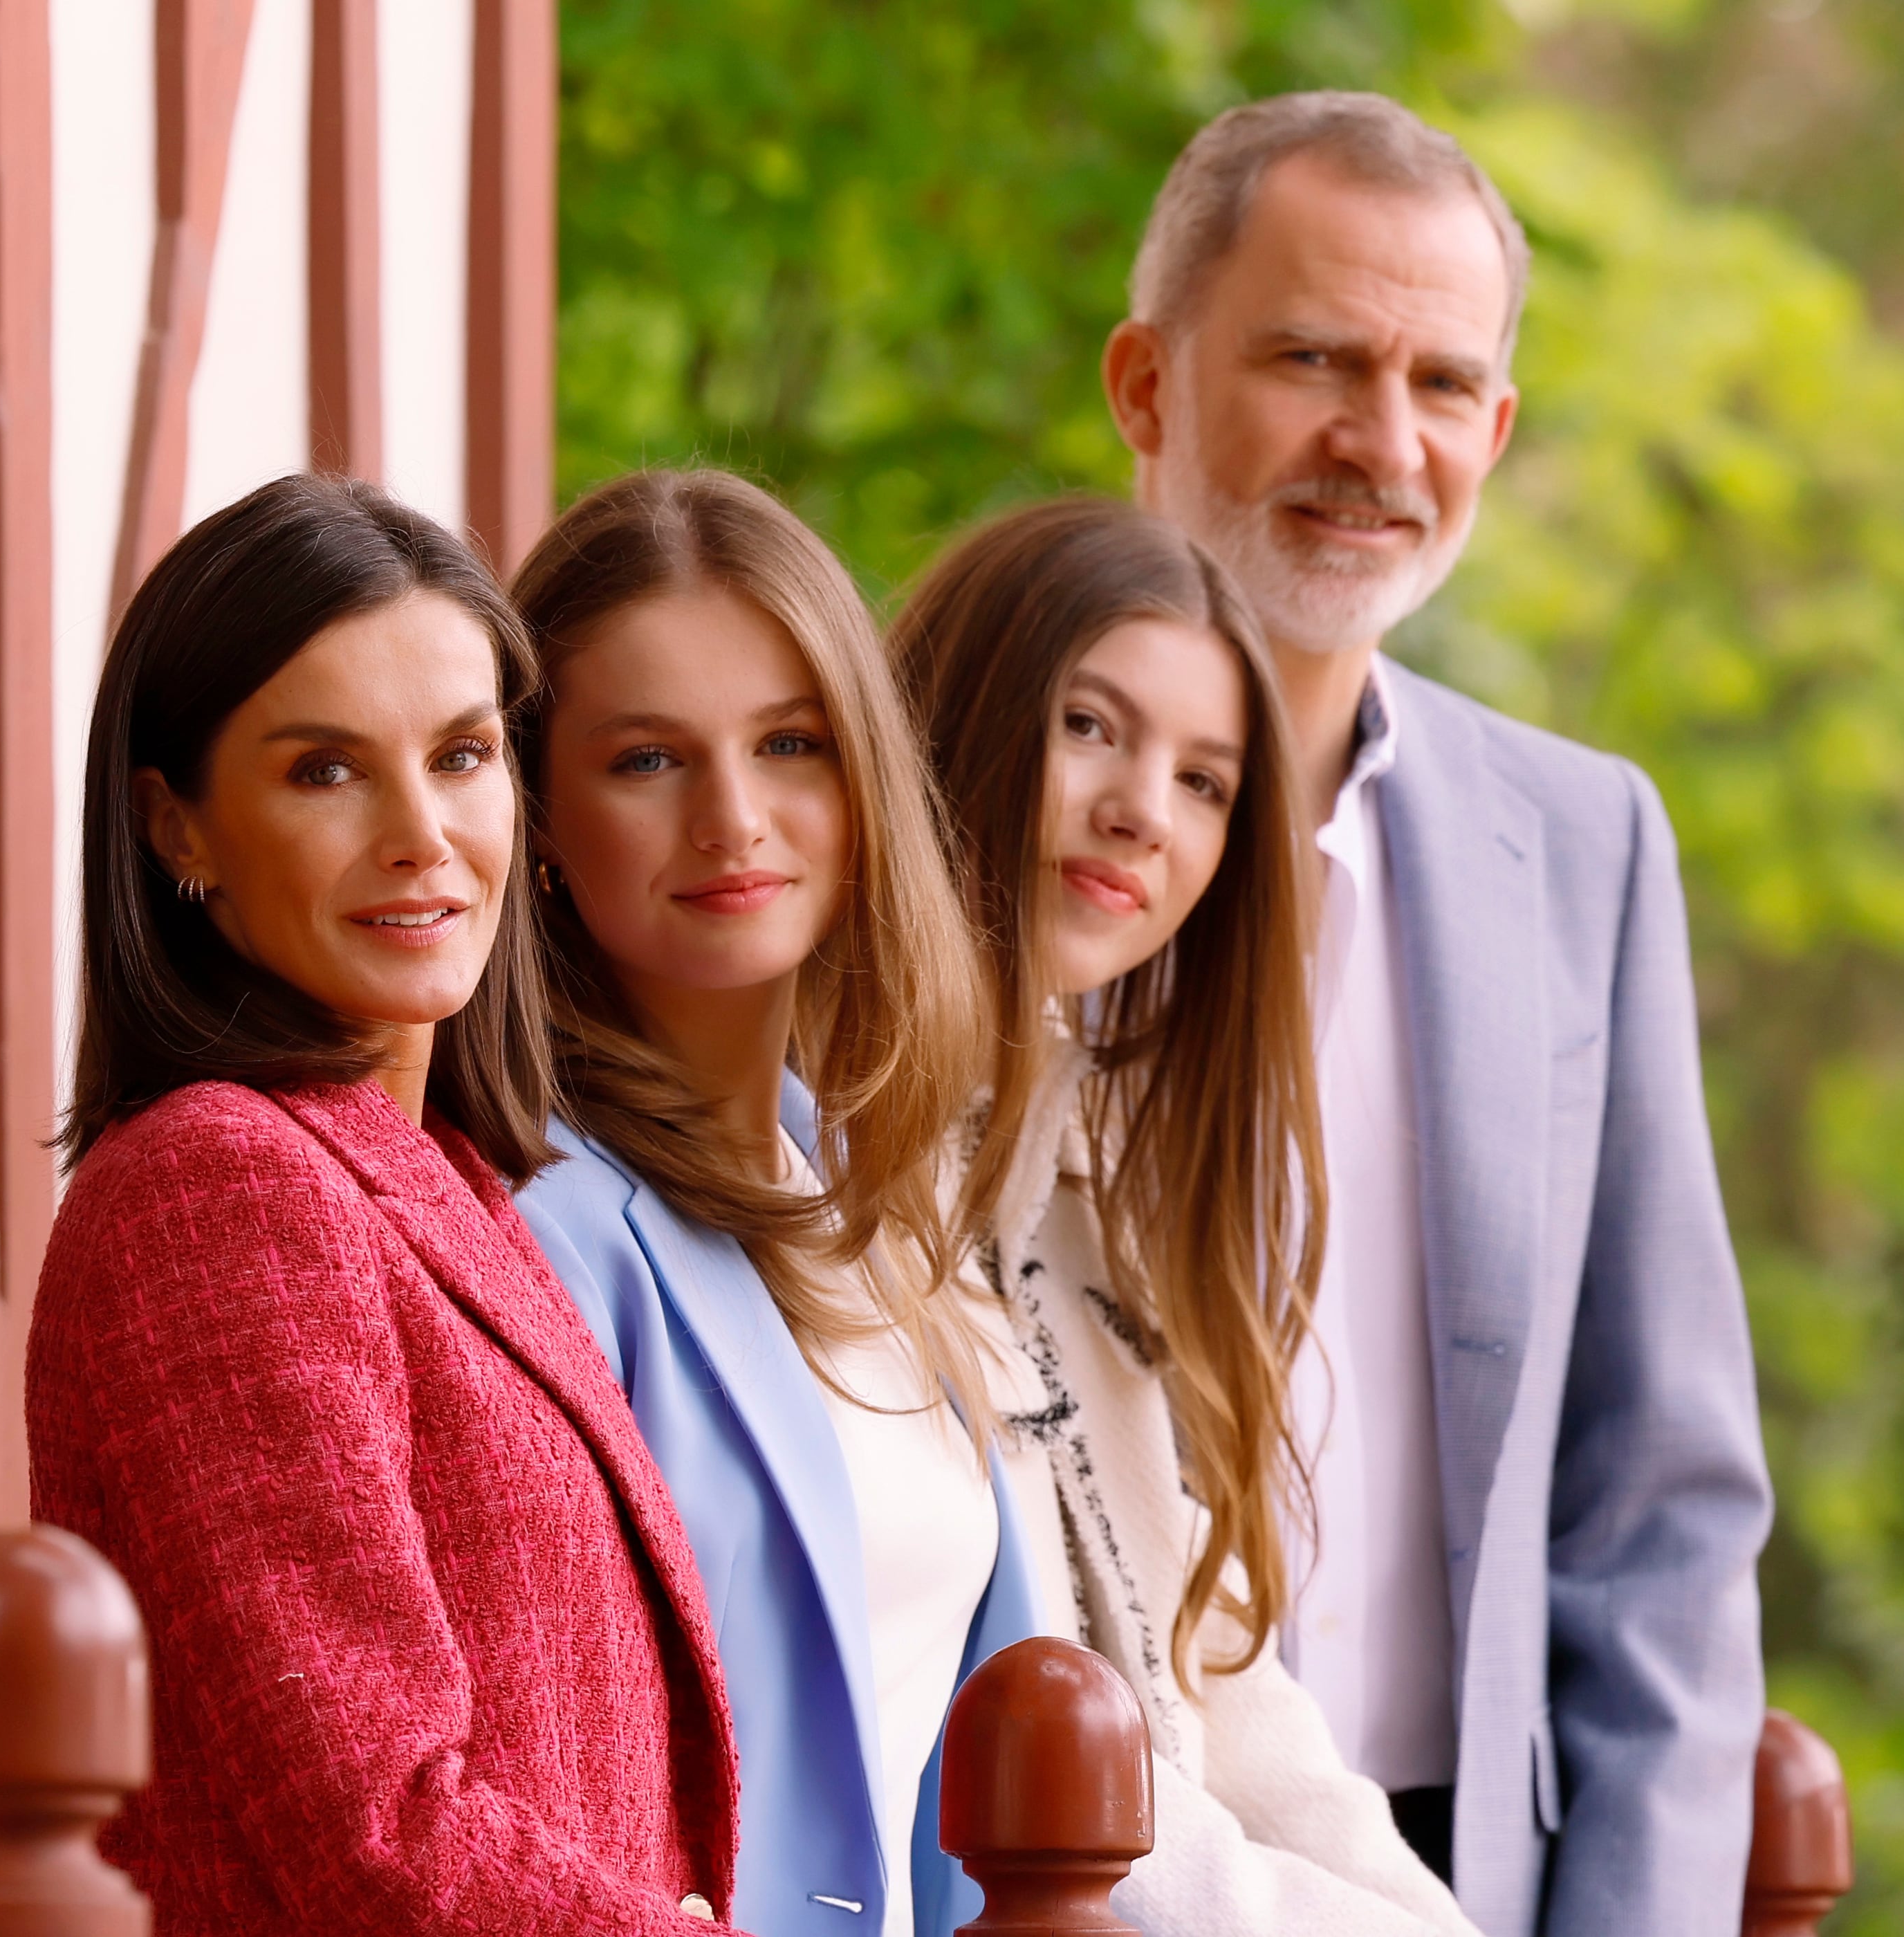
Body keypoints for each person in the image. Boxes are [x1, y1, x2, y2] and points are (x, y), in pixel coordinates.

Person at [1101, 92, 1776, 1933]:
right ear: (1147, 387)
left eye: (1438, 382)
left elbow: (1664, 1503)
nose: (1376, 441)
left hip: (1464, 1868)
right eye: (1312, 358)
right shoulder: (952, 817)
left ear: (1498, 427)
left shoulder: (1585, 845)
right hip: (1060, 1853)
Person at [26, 475, 741, 1935]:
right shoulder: (217, 1183)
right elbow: (375, 1821)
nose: (424, 831)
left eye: (463, 754)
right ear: (179, 828)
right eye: (323, 770)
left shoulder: (456, 1183)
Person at [894, 495, 1483, 1937]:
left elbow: (1216, 1688)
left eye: (1206, 780)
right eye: (1090, 726)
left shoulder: (1089, 1176)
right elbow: (1056, 1768)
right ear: (958, 710)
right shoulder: (834, 1165)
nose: (1140, 810)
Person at [505, 470, 1051, 1937]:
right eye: (645, 760)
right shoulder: (533, 1229)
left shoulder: (867, 1201)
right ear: (537, 816)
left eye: (790, 743)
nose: (734, 818)